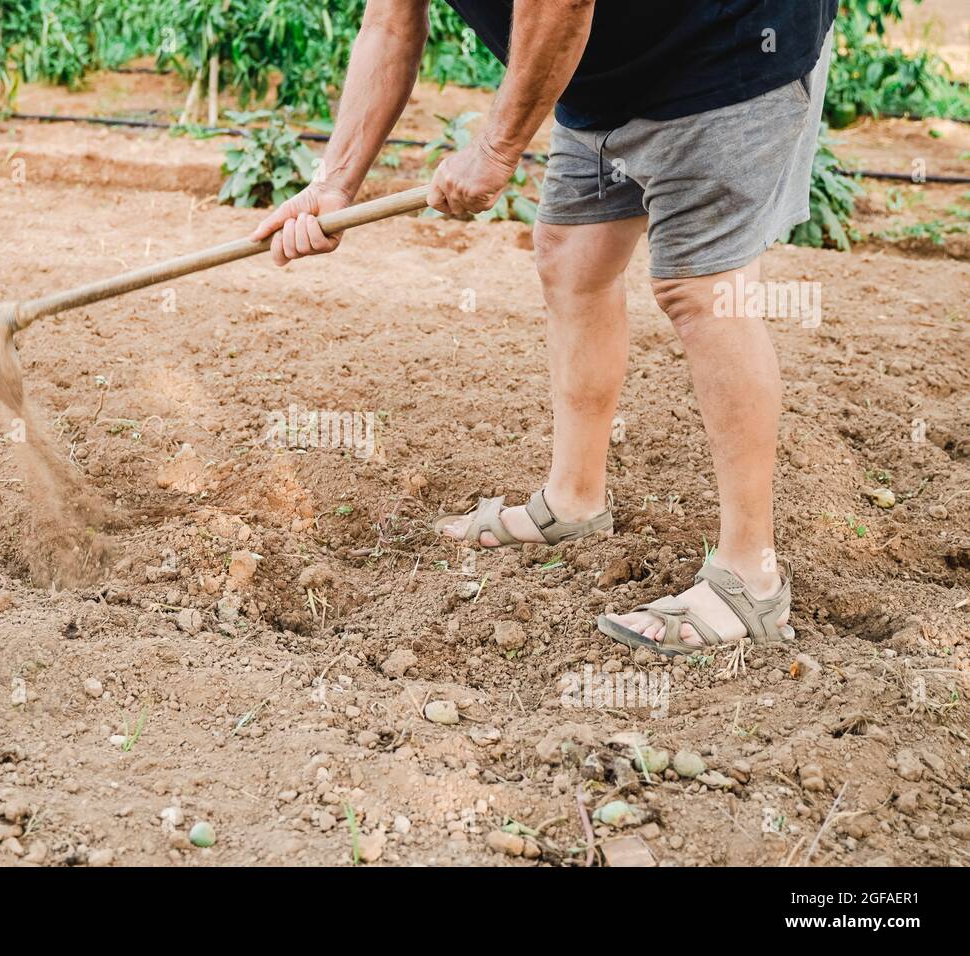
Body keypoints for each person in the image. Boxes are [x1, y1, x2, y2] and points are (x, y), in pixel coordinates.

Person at [251, 0, 837, 655]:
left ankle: (749, 582)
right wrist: (334, 184)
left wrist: (497, 147)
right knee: (569, 257)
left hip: (726, 43)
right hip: (594, 67)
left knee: (699, 290)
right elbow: (390, 20)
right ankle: (573, 501)